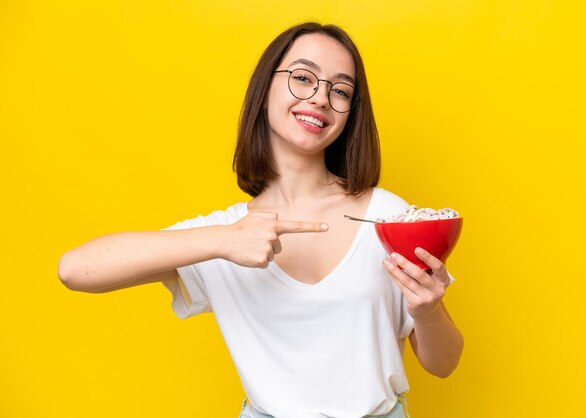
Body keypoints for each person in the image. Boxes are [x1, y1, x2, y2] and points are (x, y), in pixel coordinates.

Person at [58, 22, 464, 418]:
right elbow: (76, 270)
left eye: (340, 90)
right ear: (264, 89)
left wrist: (428, 311)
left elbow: (444, 364)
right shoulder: (228, 234)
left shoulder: (388, 216)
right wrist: (222, 240)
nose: (321, 98)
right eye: (303, 78)